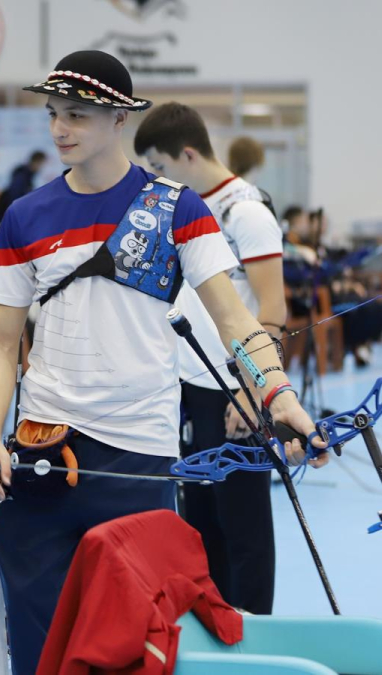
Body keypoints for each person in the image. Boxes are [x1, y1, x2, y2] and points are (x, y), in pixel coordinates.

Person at [0, 50, 327, 675]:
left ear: (119, 119)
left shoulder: (180, 209)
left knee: (136, 645)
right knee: (39, 649)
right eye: (53, 113)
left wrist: (278, 396)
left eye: (77, 115)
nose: (60, 128)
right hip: (42, 451)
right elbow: (0, 342)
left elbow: (236, 321)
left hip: (140, 456)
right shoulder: (25, 216)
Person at [134, 102, 286, 614]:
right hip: (190, 388)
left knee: (244, 524)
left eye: (161, 166)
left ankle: (255, 633)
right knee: (200, 523)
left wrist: (252, 387)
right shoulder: (188, 209)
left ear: (188, 154)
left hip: (235, 390)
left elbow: (273, 310)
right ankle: (217, 628)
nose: (158, 178)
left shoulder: (246, 212)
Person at [0, 150, 47, 222]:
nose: (41, 168)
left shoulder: (27, 175)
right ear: (37, 162)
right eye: (42, 164)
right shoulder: (22, 175)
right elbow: (15, 196)